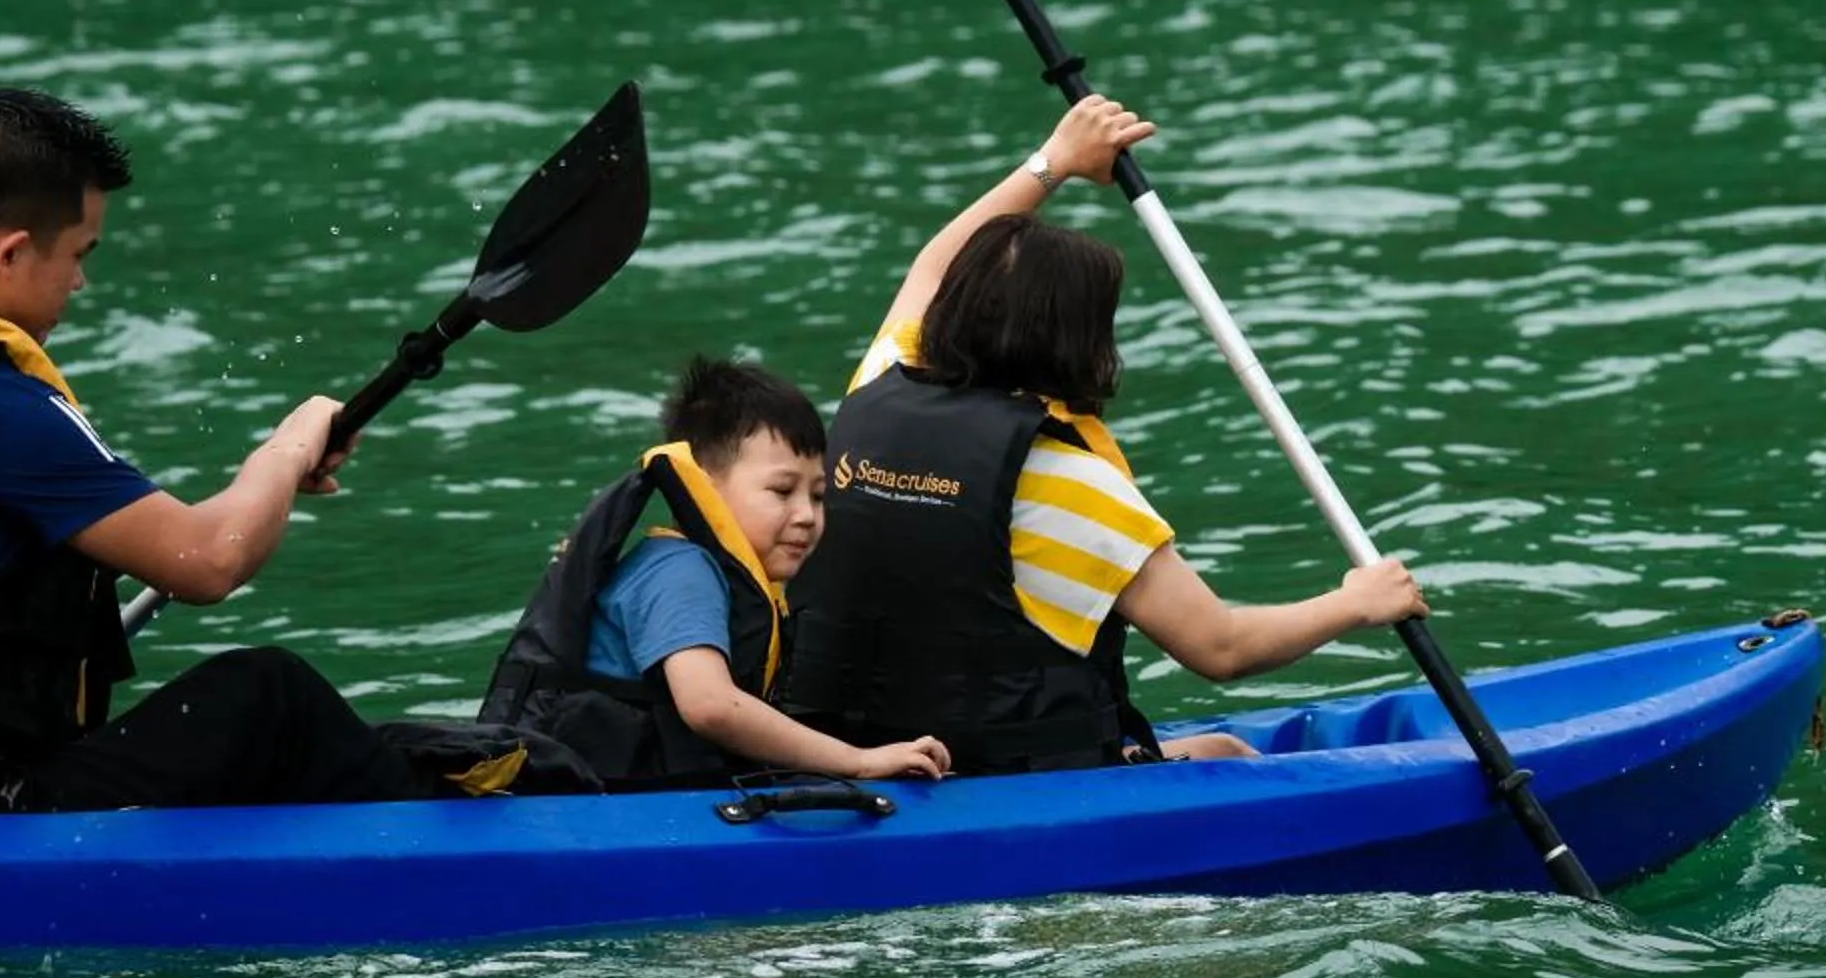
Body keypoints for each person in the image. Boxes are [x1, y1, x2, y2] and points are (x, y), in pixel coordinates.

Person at [0, 80, 444, 816]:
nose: (80, 281)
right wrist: (286, 450)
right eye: (76, 254)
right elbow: (210, 560)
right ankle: (444, 846)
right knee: (269, 697)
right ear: (9, 253)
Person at [779, 95, 1430, 775]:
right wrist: (1355, 603)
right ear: (1079, 343)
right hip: (1001, 775)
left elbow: (932, 266)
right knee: (1231, 755)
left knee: (1213, 747)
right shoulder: (1066, 482)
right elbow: (1221, 648)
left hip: (845, 751)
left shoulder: (878, 383)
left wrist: (1053, 163)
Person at [479, 357, 951, 789]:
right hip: (594, 807)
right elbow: (710, 706)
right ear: (703, 486)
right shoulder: (683, 572)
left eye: (818, 495)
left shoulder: (715, 572)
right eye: (782, 491)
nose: (807, 515)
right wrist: (858, 761)